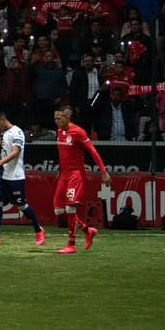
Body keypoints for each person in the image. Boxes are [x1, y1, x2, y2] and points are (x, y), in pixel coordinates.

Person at [53, 105, 112, 254]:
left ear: (67, 117)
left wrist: (103, 172)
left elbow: (93, 151)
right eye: (55, 119)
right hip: (64, 175)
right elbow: (63, 153)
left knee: (70, 208)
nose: (56, 121)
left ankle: (71, 244)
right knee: (58, 210)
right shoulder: (59, 131)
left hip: (75, 175)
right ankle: (87, 230)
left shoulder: (78, 132)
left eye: (59, 118)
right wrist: (60, 168)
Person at [0, 110, 45, 246]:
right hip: (2, 175)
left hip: (15, 177)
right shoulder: (2, 133)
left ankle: (38, 230)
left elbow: (16, 152)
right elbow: (2, 154)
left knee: (21, 205)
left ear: (3, 119)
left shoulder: (17, 132)